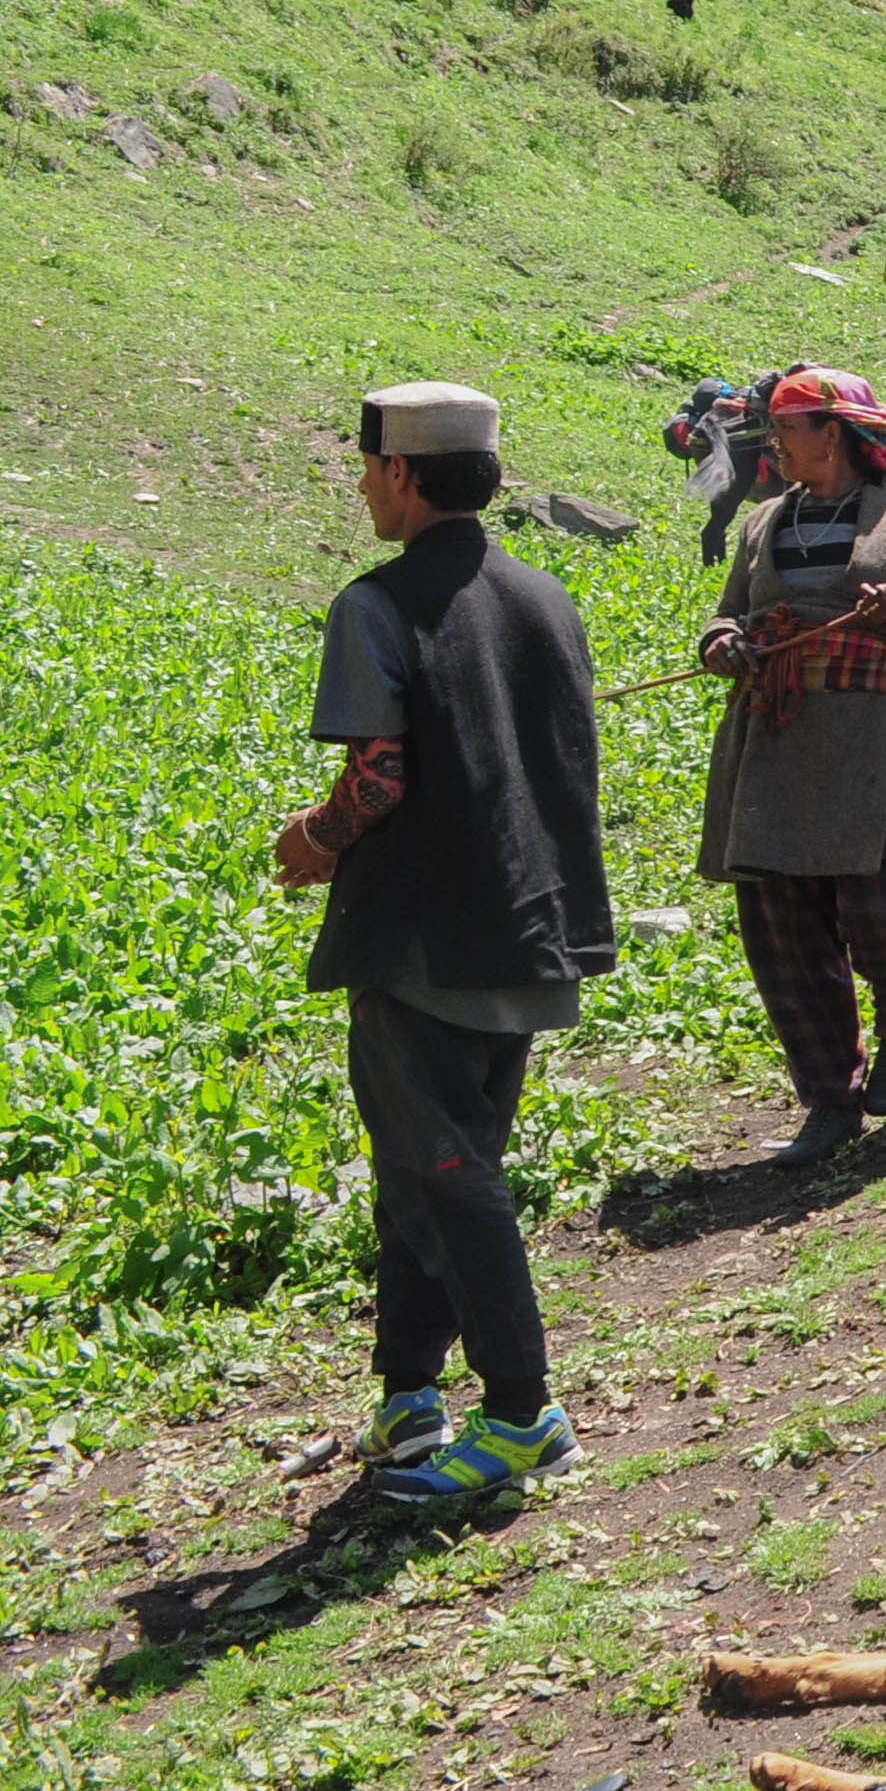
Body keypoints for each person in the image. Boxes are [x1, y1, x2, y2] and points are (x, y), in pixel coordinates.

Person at [271, 382, 615, 1503]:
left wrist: (315, 837)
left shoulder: (376, 605)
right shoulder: (545, 596)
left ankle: (521, 1414)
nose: (366, 488)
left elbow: (378, 778)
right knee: (423, 1165)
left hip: (424, 943)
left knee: (450, 1177)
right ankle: (410, 1396)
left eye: (369, 469)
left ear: (402, 473)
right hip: (529, 924)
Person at [692, 366, 886, 1166]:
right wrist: (722, 642)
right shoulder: (763, 522)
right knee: (784, 935)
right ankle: (829, 1100)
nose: (774, 443)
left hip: (877, 743)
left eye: (786, 427)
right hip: (774, 743)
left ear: (833, 434)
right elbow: (727, 613)